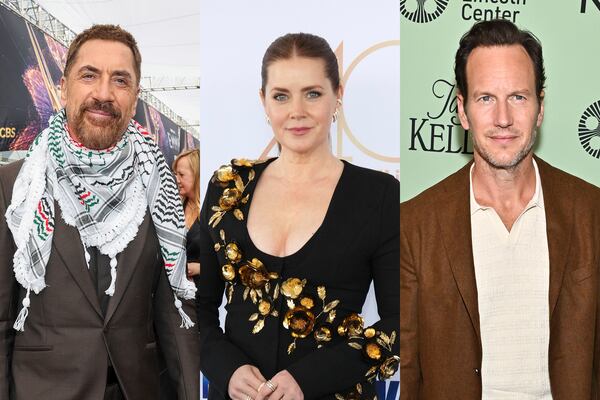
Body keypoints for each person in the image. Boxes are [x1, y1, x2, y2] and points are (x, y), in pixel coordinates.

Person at [400, 19, 600, 399]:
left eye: (518, 97)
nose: (503, 119)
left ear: (540, 107)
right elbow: (406, 369)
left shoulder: (591, 212)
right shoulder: (414, 224)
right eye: (486, 99)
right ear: (462, 111)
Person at [196, 33, 399, 400]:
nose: (297, 111)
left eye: (313, 93)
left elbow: (401, 324)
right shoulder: (228, 188)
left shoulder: (379, 195)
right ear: (263, 101)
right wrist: (227, 369)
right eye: (281, 96)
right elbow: (198, 307)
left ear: (338, 95)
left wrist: (307, 379)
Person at [0, 24, 199, 399]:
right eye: (89, 75)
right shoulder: (16, 185)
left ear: (135, 98)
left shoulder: (158, 187)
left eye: (120, 80)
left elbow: (174, 311)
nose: (104, 94)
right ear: (64, 88)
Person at [173, 149, 201, 278]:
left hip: (201, 285)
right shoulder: (175, 205)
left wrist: (200, 268)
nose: (177, 180)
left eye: (181, 175)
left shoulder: (211, 211)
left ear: (196, 175)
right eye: (175, 174)